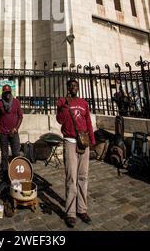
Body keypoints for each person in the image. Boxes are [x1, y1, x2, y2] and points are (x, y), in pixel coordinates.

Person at [56, 79, 95, 228]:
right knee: (71, 177)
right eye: (71, 86)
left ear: (78, 88)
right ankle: (71, 212)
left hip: (83, 142)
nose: (73, 88)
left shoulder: (84, 103)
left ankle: (82, 209)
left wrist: (92, 139)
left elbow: (88, 122)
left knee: (83, 176)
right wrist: (61, 108)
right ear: (67, 88)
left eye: (75, 86)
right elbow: (60, 120)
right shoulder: (63, 102)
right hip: (70, 142)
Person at [0, 84, 23, 182]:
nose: (8, 94)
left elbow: (20, 117)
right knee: (4, 156)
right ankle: (5, 178)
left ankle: (16, 175)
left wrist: (16, 128)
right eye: (6, 92)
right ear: (3, 93)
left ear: (11, 92)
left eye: (9, 92)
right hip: (3, 133)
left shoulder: (16, 102)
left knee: (16, 154)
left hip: (14, 133)